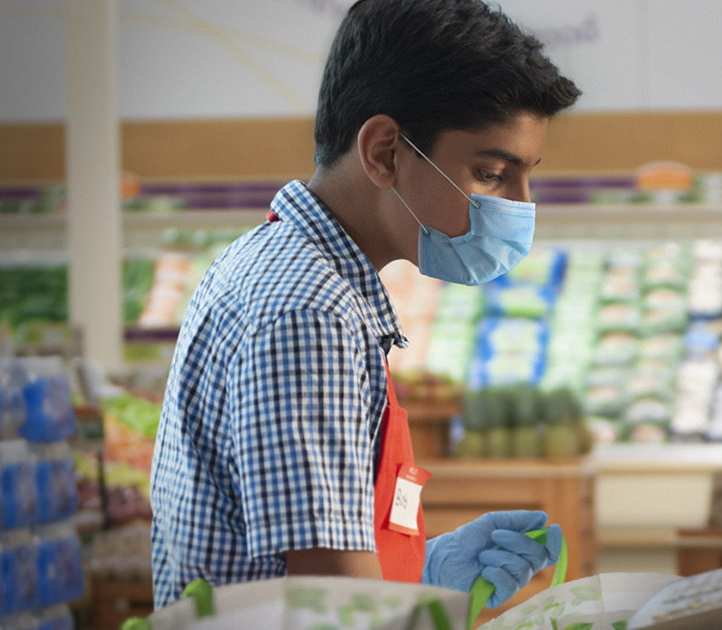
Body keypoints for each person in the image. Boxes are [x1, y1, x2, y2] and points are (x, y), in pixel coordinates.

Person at [149, 0, 581, 610]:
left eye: (526, 177)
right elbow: (334, 603)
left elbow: (310, 565)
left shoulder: (285, 266)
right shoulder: (309, 313)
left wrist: (422, 576)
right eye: (490, 173)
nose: (520, 206)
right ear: (383, 151)